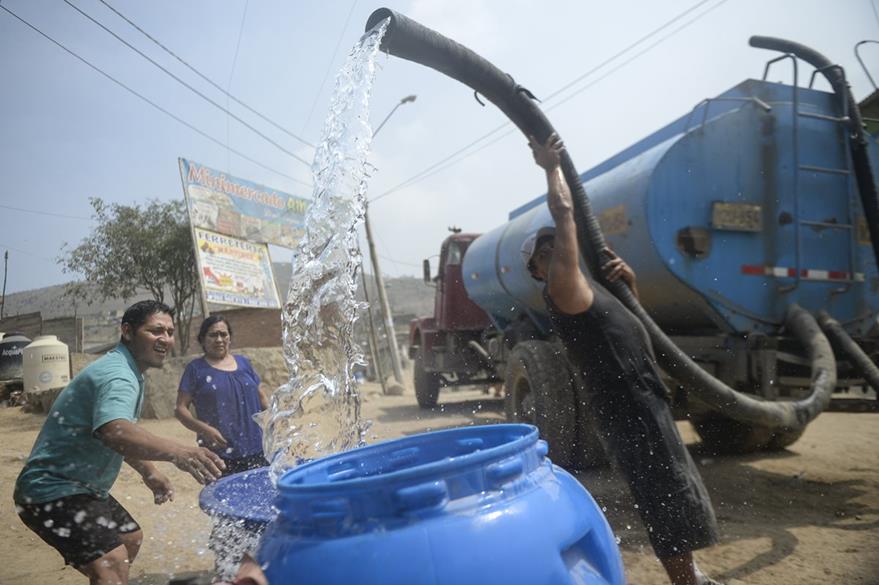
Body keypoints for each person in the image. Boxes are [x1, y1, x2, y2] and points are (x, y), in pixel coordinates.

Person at [525, 133, 722, 585]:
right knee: (664, 496)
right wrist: (551, 167)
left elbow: (637, 334)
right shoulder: (563, 290)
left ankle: (690, 574)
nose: (552, 249)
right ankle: (686, 582)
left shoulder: (597, 295)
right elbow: (565, 214)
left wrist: (629, 286)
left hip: (642, 401)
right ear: (536, 271)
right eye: (542, 252)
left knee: (676, 489)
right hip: (629, 410)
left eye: (553, 244)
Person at [14, 300, 226, 585]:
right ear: (127, 331)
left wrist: (149, 472)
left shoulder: (127, 369)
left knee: (129, 540)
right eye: (156, 331)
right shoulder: (119, 375)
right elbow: (115, 432)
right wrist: (179, 452)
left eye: (170, 332)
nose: (165, 339)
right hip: (52, 489)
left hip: (84, 488)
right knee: (112, 562)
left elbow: (114, 432)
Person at [175, 315, 269, 476]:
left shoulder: (244, 363)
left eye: (223, 334)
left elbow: (262, 400)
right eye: (213, 335)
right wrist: (204, 429)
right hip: (219, 455)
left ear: (229, 338)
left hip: (257, 449)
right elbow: (180, 409)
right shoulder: (195, 370)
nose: (219, 339)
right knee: (224, 500)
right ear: (202, 340)